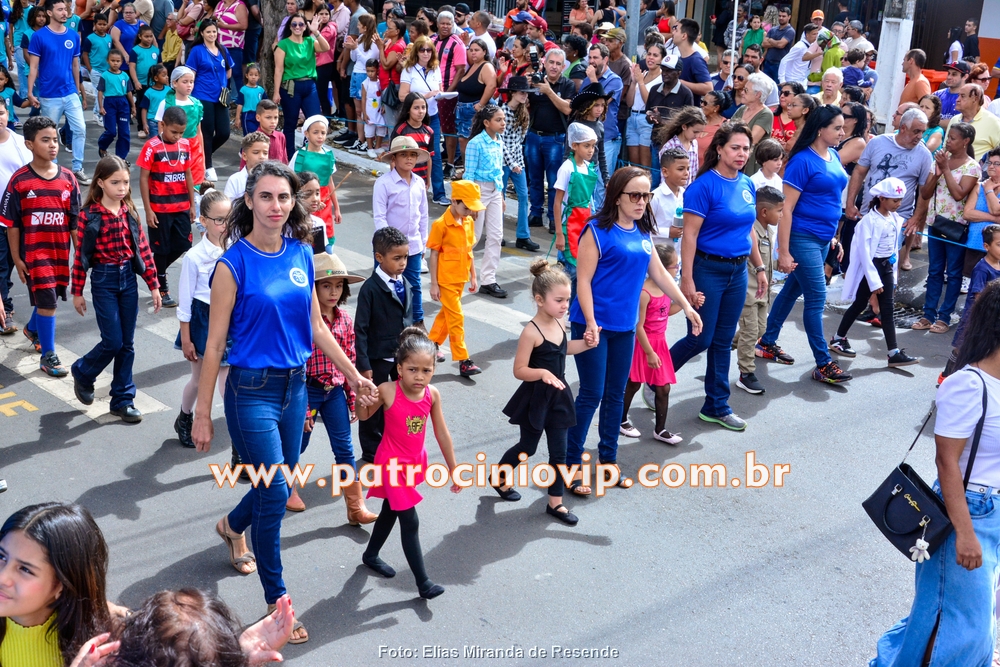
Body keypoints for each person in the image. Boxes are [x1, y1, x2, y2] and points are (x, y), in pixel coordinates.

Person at [190, 162, 377, 646]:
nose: (276, 206)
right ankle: (278, 603)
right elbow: (214, 345)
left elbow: (315, 327)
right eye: (267, 196)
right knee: (275, 492)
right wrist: (202, 413)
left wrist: (355, 376)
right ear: (249, 201)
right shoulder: (232, 265)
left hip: (296, 389)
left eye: (284, 197)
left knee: (275, 482)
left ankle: (232, 525)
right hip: (251, 392)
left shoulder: (301, 253)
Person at [869, 280, 1000, 666]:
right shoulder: (968, 386)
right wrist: (965, 533)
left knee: (950, 617)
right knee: (960, 624)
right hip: (968, 512)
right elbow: (947, 464)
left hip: (993, 512)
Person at [566, 166, 701, 493]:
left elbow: (661, 274)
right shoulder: (596, 231)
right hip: (593, 325)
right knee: (592, 394)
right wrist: (590, 322)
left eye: (646, 196)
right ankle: (569, 465)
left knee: (615, 395)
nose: (642, 202)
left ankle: (608, 462)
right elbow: (582, 281)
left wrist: (686, 305)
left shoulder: (642, 232)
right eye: (635, 195)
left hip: (625, 327)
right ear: (617, 196)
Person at [357, 327, 459, 599]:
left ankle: (370, 554)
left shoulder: (432, 395)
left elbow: (442, 433)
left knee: (391, 510)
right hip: (391, 465)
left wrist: (454, 469)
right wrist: (360, 401)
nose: (420, 376)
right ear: (400, 368)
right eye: (413, 369)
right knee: (409, 520)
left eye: (426, 370)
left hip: (413, 463)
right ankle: (423, 583)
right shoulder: (388, 390)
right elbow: (364, 416)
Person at [492, 259, 594, 524]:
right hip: (536, 398)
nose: (565, 305)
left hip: (559, 397)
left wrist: (586, 344)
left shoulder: (560, 324)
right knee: (527, 447)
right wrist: (543, 374)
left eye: (567, 300)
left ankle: (555, 504)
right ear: (539, 300)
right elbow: (519, 370)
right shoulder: (531, 332)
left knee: (559, 453)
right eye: (559, 300)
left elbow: (564, 350)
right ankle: (498, 477)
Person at [757, 106, 852, 385]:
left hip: (823, 238)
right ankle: (823, 363)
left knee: (792, 290)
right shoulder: (802, 161)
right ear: (820, 129)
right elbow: (786, 209)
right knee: (816, 299)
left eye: (843, 127)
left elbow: (830, 199)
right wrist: (784, 251)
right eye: (837, 128)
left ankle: (767, 342)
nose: (842, 133)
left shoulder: (834, 155)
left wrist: (833, 237)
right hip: (802, 237)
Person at [287, 252, 378, 522]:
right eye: (326, 286)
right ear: (313, 289)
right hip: (308, 390)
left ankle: (355, 506)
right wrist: (303, 408)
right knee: (297, 443)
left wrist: (352, 399)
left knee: (344, 448)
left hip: (335, 392)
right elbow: (297, 366)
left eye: (339, 286)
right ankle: (286, 488)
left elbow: (349, 360)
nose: (333, 292)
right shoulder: (303, 321)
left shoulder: (345, 320)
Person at [70, 155, 161, 423]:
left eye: (125, 182)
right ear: (100, 183)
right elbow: (81, 256)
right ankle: (83, 371)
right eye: (115, 182)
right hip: (104, 281)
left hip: (128, 281)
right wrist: (77, 292)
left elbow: (143, 250)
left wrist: (154, 286)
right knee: (113, 341)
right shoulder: (89, 215)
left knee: (127, 344)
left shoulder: (129, 211)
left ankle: (122, 400)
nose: (122, 188)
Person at [1, 116, 81, 376]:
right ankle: (48, 356)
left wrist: (80, 254)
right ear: (29, 145)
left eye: (55, 139)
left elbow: (74, 222)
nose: (52, 145)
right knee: (48, 303)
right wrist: (17, 258)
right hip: (35, 255)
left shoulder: (68, 179)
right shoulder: (19, 181)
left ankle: (32, 328)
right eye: (45, 140)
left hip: (60, 253)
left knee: (51, 296)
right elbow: (12, 224)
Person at [0, 502, 114, 666]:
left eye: (25, 569)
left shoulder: (105, 649)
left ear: (62, 584)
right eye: (2, 556)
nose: (2, 577)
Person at [832, 177, 919, 368]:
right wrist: (874, 281)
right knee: (859, 304)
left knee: (886, 308)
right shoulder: (868, 221)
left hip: (886, 267)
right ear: (881, 198)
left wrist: (893, 275)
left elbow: (893, 250)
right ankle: (838, 338)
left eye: (900, 200)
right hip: (871, 269)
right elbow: (864, 254)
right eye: (894, 200)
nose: (898, 204)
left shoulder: (894, 218)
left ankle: (893, 352)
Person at [172, 189, 229, 449]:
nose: (225, 225)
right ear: (203, 221)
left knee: (228, 382)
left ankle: (239, 436)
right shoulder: (194, 257)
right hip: (202, 321)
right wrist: (186, 339)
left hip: (229, 320)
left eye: (229, 219)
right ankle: (185, 417)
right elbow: (185, 303)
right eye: (219, 220)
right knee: (199, 379)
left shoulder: (235, 249)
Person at [846, 108, 934, 275]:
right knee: (861, 260)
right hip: (869, 214)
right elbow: (859, 171)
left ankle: (887, 290)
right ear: (903, 128)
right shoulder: (878, 142)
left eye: (923, 132)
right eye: (916, 131)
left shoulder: (924, 155)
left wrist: (916, 218)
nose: (920, 136)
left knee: (887, 264)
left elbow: (924, 192)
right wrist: (850, 203)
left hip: (898, 218)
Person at [354, 226, 414, 465]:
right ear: (379, 257)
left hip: (400, 358)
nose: (403, 263)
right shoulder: (370, 289)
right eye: (397, 258)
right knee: (373, 404)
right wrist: (364, 365)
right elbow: (360, 329)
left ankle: (395, 443)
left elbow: (409, 318)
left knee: (399, 401)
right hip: (377, 358)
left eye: (405, 257)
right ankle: (371, 451)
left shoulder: (405, 282)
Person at [914, 123, 980, 335]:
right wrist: (937, 172)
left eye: (952, 138)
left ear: (965, 141)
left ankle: (944, 317)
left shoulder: (972, 167)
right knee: (934, 271)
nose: (948, 141)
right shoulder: (940, 161)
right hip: (936, 223)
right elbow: (925, 194)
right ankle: (928, 315)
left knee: (953, 273)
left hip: (956, 227)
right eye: (948, 137)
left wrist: (946, 170)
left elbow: (959, 194)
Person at [620, 242, 684, 440]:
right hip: (643, 344)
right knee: (633, 384)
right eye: (675, 266)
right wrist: (649, 352)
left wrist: (687, 304)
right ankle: (620, 420)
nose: (678, 269)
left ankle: (660, 430)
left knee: (663, 387)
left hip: (660, 344)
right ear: (661, 268)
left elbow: (666, 311)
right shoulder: (644, 293)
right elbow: (638, 326)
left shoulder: (667, 289)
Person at [137, 105, 195, 309]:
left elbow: (188, 174)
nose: (177, 136)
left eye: (181, 132)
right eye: (173, 132)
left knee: (184, 244)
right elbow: (143, 179)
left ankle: (153, 270)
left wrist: (192, 204)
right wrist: (148, 210)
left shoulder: (185, 145)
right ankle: (161, 285)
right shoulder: (151, 147)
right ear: (162, 125)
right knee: (161, 249)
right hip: (160, 209)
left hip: (181, 206)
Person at [27, 0, 89, 185]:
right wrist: (30, 92)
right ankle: (51, 168)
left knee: (80, 129)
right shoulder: (39, 36)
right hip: (49, 95)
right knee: (49, 135)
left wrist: (77, 90)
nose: (64, 13)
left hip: (70, 93)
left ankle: (77, 168)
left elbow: (76, 65)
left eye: (66, 9)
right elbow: (33, 67)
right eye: (60, 9)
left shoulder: (73, 35)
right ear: (49, 12)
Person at [730, 184, 782, 395]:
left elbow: (766, 261)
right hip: (748, 293)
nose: (781, 215)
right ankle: (746, 373)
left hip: (762, 294)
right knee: (750, 332)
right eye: (779, 211)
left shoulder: (768, 230)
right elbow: (749, 262)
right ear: (764, 211)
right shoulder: (750, 231)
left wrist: (781, 265)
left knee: (760, 329)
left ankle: (723, 345)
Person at [427, 180, 482, 378]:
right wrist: (434, 284)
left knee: (447, 314)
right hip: (445, 280)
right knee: (457, 317)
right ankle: (463, 360)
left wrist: (473, 276)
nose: (469, 212)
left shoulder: (468, 222)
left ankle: (431, 344)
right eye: (466, 208)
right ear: (454, 201)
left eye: (471, 208)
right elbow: (433, 255)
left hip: (460, 278)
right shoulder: (440, 225)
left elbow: (469, 252)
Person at [373, 136, 429, 327]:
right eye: (403, 155)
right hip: (388, 247)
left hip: (413, 245)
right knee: (384, 286)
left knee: (414, 285)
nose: (409, 158)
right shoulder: (383, 183)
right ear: (394, 158)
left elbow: (423, 215)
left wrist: (423, 242)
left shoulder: (419, 183)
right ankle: (384, 325)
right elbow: (380, 217)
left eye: (413, 154)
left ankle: (417, 324)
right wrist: (388, 245)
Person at [941, 224, 1000, 381]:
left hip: (992, 316)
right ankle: (947, 376)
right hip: (974, 316)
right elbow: (979, 296)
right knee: (961, 348)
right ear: (986, 246)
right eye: (999, 244)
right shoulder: (982, 269)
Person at [526, 48, 574, 231]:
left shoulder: (567, 84)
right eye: (551, 62)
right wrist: (525, 87)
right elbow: (524, 105)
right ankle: (535, 213)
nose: (554, 66)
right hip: (533, 135)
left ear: (563, 67)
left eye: (558, 64)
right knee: (535, 178)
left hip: (555, 138)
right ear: (544, 63)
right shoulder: (536, 80)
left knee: (555, 181)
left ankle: (554, 218)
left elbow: (568, 109)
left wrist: (548, 91)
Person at [273, 14, 329, 172]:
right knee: (290, 123)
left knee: (314, 121)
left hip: (309, 85)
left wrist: (316, 32)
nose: (297, 27)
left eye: (301, 24)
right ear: (289, 27)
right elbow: (278, 69)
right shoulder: (283, 44)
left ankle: (310, 155)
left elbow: (326, 48)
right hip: (291, 87)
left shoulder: (310, 41)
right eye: (294, 24)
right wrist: (276, 92)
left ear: (305, 26)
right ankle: (291, 158)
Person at [398, 35, 448, 205]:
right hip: (413, 119)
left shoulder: (435, 68)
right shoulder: (409, 69)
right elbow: (403, 96)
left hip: (432, 115)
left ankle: (439, 193)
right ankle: (408, 187)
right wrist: (425, 96)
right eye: (422, 50)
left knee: (435, 155)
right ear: (416, 52)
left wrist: (440, 94)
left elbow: (439, 89)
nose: (426, 53)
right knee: (411, 152)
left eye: (429, 50)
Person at [463, 104, 506, 299]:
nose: (503, 123)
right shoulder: (475, 143)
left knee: (496, 236)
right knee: (474, 236)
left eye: (503, 119)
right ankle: (454, 270)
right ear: (487, 123)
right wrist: (470, 202)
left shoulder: (499, 141)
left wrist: (501, 195)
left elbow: (499, 172)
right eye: (498, 120)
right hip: (478, 191)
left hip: (495, 191)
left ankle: (488, 280)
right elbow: (469, 174)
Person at [185, 19, 233, 184]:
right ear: (202, 33)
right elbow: (190, 73)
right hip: (202, 95)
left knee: (224, 132)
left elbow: (229, 71)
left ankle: (202, 155)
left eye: (214, 31)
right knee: (206, 132)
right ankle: (208, 166)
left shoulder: (223, 49)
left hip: (220, 96)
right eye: (208, 32)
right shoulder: (197, 50)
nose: (212, 34)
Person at [554, 122, 599, 281]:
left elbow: (589, 199)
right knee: (568, 270)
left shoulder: (588, 167)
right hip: (569, 223)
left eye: (593, 146)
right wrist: (559, 234)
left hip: (584, 221)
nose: (591, 150)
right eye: (586, 146)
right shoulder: (567, 168)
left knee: (582, 268)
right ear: (574, 145)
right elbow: (557, 202)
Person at [0, 99, 30, 337]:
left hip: (18, 220)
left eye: (0, 113)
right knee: (1, 268)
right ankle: (5, 312)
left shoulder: (21, 143)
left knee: (15, 265)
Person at [289, 115, 340, 247]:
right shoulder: (300, 155)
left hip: (324, 200)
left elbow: (330, 182)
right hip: (304, 200)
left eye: (323, 133)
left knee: (325, 234)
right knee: (305, 230)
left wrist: (337, 208)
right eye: (315, 132)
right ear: (307, 133)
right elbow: (292, 181)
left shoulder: (328, 155)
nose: (320, 136)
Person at [152, 67, 206, 190]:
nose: (189, 85)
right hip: (173, 146)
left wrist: (202, 156)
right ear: (175, 83)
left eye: (191, 82)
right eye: (185, 82)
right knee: (176, 180)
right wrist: (163, 149)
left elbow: (199, 131)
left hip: (193, 148)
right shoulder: (166, 103)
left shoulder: (196, 104)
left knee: (196, 181)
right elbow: (161, 128)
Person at [498, 76, 536, 251]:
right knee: (500, 197)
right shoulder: (502, 112)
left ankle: (523, 235)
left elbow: (520, 140)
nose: (524, 96)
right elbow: (500, 142)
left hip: (517, 161)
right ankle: (497, 233)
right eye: (522, 92)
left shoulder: (523, 113)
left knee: (523, 196)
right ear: (512, 93)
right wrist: (512, 162)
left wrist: (517, 162)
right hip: (503, 161)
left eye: (526, 93)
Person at [431, 11, 466, 179]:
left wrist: (448, 92)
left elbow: (460, 70)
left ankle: (451, 163)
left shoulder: (457, 43)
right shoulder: (432, 41)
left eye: (449, 23)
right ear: (437, 24)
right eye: (443, 23)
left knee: (448, 128)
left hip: (448, 93)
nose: (445, 26)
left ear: (453, 25)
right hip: (432, 91)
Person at [585, 44, 622, 195]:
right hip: (587, 139)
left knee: (602, 185)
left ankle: (600, 212)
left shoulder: (615, 80)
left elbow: (601, 102)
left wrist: (593, 79)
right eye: (590, 57)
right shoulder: (587, 79)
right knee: (586, 182)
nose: (591, 61)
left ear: (605, 59)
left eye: (595, 58)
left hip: (607, 139)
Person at [454, 38, 496, 162]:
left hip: (473, 109)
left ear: (484, 52)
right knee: (463, 141)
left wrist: (481, 104)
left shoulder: (486, 66)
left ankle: (472, 169)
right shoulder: (473, 65)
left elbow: (491, 86)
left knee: (471, 142)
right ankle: (468, 169)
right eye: (471, 50)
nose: (473, 53)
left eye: (476, 50)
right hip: (463, 109)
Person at [626, 42, 665, 170]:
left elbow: (650, 103)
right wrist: (634, 82)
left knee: (645, 166)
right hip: (633, 117)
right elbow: (629, 103)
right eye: (649, 54)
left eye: (655, 55)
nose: (651, 58)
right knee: (634, 166)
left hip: (647, 120)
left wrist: (641, 83)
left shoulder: (662, 78)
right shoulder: (643, 74)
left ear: (662, 59)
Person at [344, 15, 379, 153]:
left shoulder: (374, 42)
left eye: (359, 24)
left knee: (366, 111)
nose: (357, 27)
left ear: (365, 26)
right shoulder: (361, 38)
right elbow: (354, 58)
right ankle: (360, 139)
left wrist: (356, 48)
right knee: (358, 111)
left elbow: (368, 62)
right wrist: (353, 47)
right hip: (355, 73)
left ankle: (368, 140)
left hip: (365, 75)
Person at [96, 50, 135, 161]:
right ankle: (102, 146)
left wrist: (133, 106)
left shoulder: (125, 76)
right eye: (112, 60)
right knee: (111, 131)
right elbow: (100, 91)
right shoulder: (105, 75)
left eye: (118, 61)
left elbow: (129, 92)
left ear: (121, 62)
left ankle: (121, 158)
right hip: (110, 103)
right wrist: (101, 107)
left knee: (124, 132)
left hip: (123, 103)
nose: (115, 63)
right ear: (108, 61)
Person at [731, 72, 773, 175]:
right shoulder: (742, 109)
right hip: (734, 159)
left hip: (752, 164)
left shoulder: (766, 114)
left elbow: (751, 140)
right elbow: (727, 130)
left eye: (746, 90)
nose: (742, 92)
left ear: (758, 94)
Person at [391, 92, 434, 186]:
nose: (421, 111)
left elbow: (429, 157)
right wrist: (395, 181)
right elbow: (393, 158)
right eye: (416, 108)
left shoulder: (429, 131)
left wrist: (428, 179)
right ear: (408, 110)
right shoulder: (400, 130)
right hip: (402, 181)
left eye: (423, 107)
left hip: (421, 180)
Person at [949, 83, 1000, 159]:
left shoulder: (994, 122)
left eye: (963, 96)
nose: (957, 100)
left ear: (975, 99)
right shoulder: (954, 119)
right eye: (958, 96)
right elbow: (945, 148)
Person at [649, 145, 687, 248]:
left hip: (680, 253)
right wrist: (667, 232)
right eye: (681, 169)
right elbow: (645, 227)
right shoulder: (655, 197)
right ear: (665, 172)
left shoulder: (686, 195)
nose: (686, 173)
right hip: (660, 253)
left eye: (687, 169)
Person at [671, 18, 710, 105]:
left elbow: (708, 88)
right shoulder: (679, 59)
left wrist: (680, 82)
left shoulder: (696, 60)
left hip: (689, 112)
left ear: (684, 36)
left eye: (676, 30)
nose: (673, 33)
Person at [213, 0, 246, 96]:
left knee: (236, 73)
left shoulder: (239, 5)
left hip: (234, 45)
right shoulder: (220, 3)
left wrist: (224, 26)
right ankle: (224, 99)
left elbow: (244, 25)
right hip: (219, 45)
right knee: (222, 73)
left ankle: (241, 99)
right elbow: (214, 17)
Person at [224, 130, 269, 200]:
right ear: (244, 156)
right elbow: (229, 204)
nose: (262, 157)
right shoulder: (235, 180)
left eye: (265, 153)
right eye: (256, 152)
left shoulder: (273, 179)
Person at [127, 24, 159, 121]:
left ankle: (152, 124)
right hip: (142, 83)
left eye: (151, 36)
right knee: (142, 105)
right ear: (140, 36)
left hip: (154, 83)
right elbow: (132, 67)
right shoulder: (135, 50)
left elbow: (160, 67)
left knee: (153, 104)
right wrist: (136, 81)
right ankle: (141, 125)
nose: (149, 39)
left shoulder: (156, 50)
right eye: (146, 36)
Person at [778, 23, 819, 90]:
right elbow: (784, 60)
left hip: (802, 81)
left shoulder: (811, 46)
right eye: (814, 34)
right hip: (792, 80)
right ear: (807, 35)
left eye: (817, 34)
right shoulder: (799, 46)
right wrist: (782, 79)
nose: (816, 36)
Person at [760, 4, 794, 83]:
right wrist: (777, 42)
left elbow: (781, 45)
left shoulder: (790, 31)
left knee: (778, 87)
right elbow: (764, 44)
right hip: (768, 63)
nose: (781, 18)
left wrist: (771, 40)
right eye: (780, 16)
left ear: (789, 17)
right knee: (766, 85)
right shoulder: (773, 29)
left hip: (780, 64)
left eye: (784, 16)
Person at [252, 99, 287, 164]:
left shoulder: (281, 137)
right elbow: (246, 166)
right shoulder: (252, 140)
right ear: (258, 118)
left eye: (276, 117)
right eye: (268, 117)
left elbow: (284, 162)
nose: (273, 121)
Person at [937, 61, 970, 127]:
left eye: (954, 74)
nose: (949, 77)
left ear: (965, 76)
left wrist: (935, 122)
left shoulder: (969, 98)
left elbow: (962, 124)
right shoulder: (937, 94)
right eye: (949, 73)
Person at [139, 64, 169, 139]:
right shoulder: (149, 92)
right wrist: (144, 124)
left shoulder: (169, 90)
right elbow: (144, 109)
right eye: (164, 75)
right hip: (153, 122)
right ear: (156, 78)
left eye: (167, 75)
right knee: (155, 141)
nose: (167, 77)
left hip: (166, 121)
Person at [235, 61, 264, 134]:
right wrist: (237, 118)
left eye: (256, 75)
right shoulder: (243, 90)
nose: (253, 77)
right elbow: (240, 104)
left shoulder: (261, 90)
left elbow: (265, 103)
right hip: (247, 115)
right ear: (247, 75)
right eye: (251, 75)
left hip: (259, 114)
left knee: (258, 135)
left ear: (259, 76)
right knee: (249, 136)